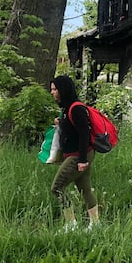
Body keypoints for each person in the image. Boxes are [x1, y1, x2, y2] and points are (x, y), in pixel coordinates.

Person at [50, 75, 99, 231]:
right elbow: (73, 129)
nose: (52, 92)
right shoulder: (66, 108)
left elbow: (84, 134)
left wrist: (82, 160)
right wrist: (61, 123)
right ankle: (95, 224)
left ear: (63, 90)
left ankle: (71, 224)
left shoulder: (76, 108)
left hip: (79, 154)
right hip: (77, 154)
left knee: (57, 187)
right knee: (85, 188)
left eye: (54, 89)